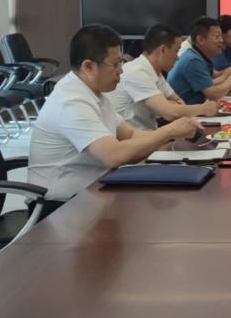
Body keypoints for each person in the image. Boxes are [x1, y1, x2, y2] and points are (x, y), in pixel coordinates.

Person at [28, 24, 198, 201]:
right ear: (88, 67)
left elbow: (130, 134)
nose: (121, 70)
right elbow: (113, 155)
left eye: (121, 62)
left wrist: (172, 139)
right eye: (115, 64)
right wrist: (168, 132)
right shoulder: (70, 102)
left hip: (95, 190)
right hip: (60, 206)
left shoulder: (96, 92)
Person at [112, 24, 221, 129]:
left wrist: (170, 106)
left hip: (151, 134)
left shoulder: (156, 72)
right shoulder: (137, 72)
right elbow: (170, 113)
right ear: (163, 50)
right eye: (176, 51)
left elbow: (179, 102)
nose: (177, 58)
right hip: (135, 138)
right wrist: (203, 108)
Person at [168, 17, 231, 105]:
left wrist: (226, 74)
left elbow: (210, 82)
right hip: (186, 111)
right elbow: (213, 94)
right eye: (217, 37)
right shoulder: (192, 60)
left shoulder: (202, 56)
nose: (221, 40)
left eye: (221, 36)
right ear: (200, 40)